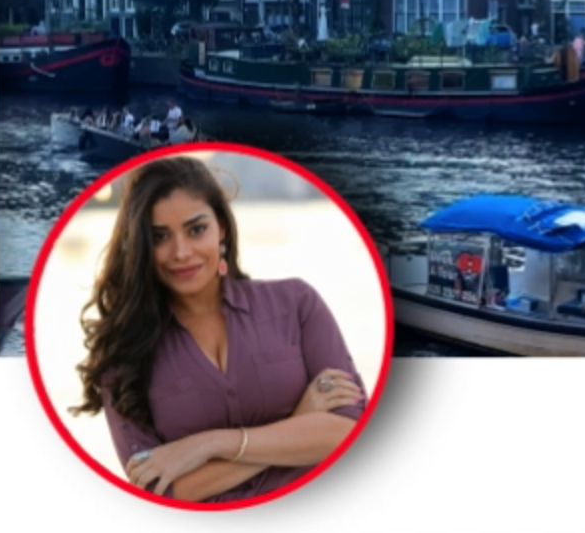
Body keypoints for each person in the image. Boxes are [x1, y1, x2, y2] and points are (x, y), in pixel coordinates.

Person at [71, 157, 365, 502]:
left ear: (222, 227)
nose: (181, 252)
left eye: (196, 229)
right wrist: (299, 423)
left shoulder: (296, 304)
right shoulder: (122, 352)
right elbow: (160, 491)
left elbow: (348, 431)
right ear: (141, 246)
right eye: (160, 237)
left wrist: (209, 445)